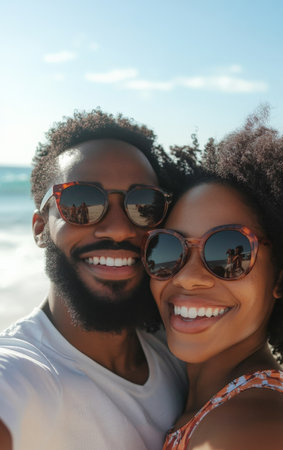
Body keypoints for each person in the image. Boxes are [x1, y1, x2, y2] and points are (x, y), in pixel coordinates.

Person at [0, 109, 188, 450]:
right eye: (80, 202)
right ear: (41, 228)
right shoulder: (21, 371)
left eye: (144, 204)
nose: (118, 228)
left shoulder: (178, 347)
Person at [142, 112, 283, 449]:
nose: (188, 277)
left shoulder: (256, 431)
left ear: (281, 279)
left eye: (230, 251)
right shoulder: (215, 401)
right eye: (168, 248)